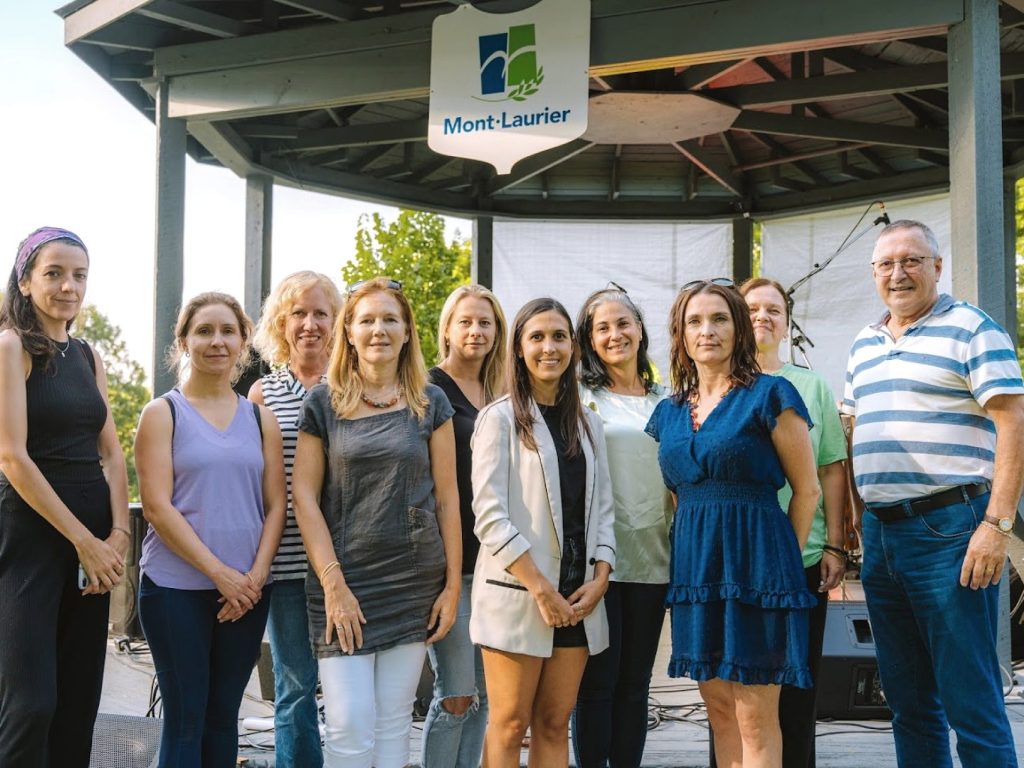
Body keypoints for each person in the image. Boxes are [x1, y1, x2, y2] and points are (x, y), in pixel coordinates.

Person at [841, 220, 1024, 768]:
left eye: (911, 260)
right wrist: (858, 521)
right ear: (873, 274)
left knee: (970, 700)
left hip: (951, 530)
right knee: (907, 702)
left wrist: (997, 526)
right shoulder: (863, 344)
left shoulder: (973, 328)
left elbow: (1013, 424)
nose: (898, 273)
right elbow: (855, 433)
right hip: (882, 535)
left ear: (937, 266)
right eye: (886, 264)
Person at [644, 279, 820, 768]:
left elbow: (808, 489)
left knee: (754, 716)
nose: (707, 331)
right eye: (694, 321)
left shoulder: (771, 394)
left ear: (739, 328)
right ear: (680, 335)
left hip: (759, 569)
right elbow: (678, 496)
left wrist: (782, 566)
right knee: (719, 710)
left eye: (719, 318)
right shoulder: (669, 411)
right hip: (698, 573)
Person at [291, 277, 461, 768]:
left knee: (392, 723)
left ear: (408, 332)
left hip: (413, 583)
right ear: (348, 332)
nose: (379, 330)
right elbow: (303, 496)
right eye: (366, 320)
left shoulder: (431, 404)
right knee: (347, 723)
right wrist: (333, 584)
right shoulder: (323, 404)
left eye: (390, 319)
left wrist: (451, 587)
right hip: (343, 584)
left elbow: (448, 499)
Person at [135, 292, 286, 768]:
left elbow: (277, 504)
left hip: (245, 592)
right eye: (204, 331)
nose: (216, 341)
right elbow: (158, 508)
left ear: (244, 342)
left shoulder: (261, 419)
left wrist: (254, 579)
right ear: (183, 342)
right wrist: (220, 574)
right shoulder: (162, 414)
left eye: (228, 331)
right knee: (186, 719)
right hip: (175, 590)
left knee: (225, 718)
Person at [0, 227, 130, 768]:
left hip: (96, 542)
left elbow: (113, 453)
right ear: (26, 282)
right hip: (32, 538)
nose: (68, 286)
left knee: (79, 702)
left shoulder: (87, 355)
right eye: (53, 273)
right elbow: (11, 457)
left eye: (79, 275)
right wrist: (83, 541)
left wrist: (118, 534)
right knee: (31, 704)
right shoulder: (10, 346)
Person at [471, 297, 616, 768]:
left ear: (574, 347)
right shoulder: (497, 419)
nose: (548, 347)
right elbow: (489, 516)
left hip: (578, 599)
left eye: (558, 336)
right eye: (536, 337)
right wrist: (540, 588)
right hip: (520, 595)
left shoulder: (590, 422)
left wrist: (601, 576)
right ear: (518, 348)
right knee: (510, 724)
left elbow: (604, 511)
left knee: (555, 724)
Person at [738, 277, 848, 768]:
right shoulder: (714, 385)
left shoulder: (812, 386)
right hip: (736, 563)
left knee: (798, 688)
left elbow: (830, 468)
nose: (762, 316)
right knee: (736, 696)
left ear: (786, 324)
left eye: (773, 310)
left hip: (801, 560)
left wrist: (836, 546)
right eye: (752, 308)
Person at [570, 284, 672, 768]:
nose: (615, 334)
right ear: (589, 339)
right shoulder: (579, 397)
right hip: (600, 563)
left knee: (635, 687)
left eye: (623, 323)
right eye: (602, 327)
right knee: (597, 685)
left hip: (655, 558)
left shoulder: (669, 397)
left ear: (640, 330)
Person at [250, 271, 343, 768]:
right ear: (281, 324)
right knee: (294, 687)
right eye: (298, 314)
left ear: (337, 321)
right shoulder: (263, 393)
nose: (310, 324)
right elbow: (258, 483)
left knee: (350, 686)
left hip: (349, 563)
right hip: (286, 564)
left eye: (320, 313)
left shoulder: (354, 386)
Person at [422, 285, 507, 768]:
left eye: (486, 323)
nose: (476, 331)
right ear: (448, 329)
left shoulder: (503, 392)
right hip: (449, 564)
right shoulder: (427, 388)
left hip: (498, 562)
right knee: (455, 694)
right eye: (466, 322)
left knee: (484, 696)